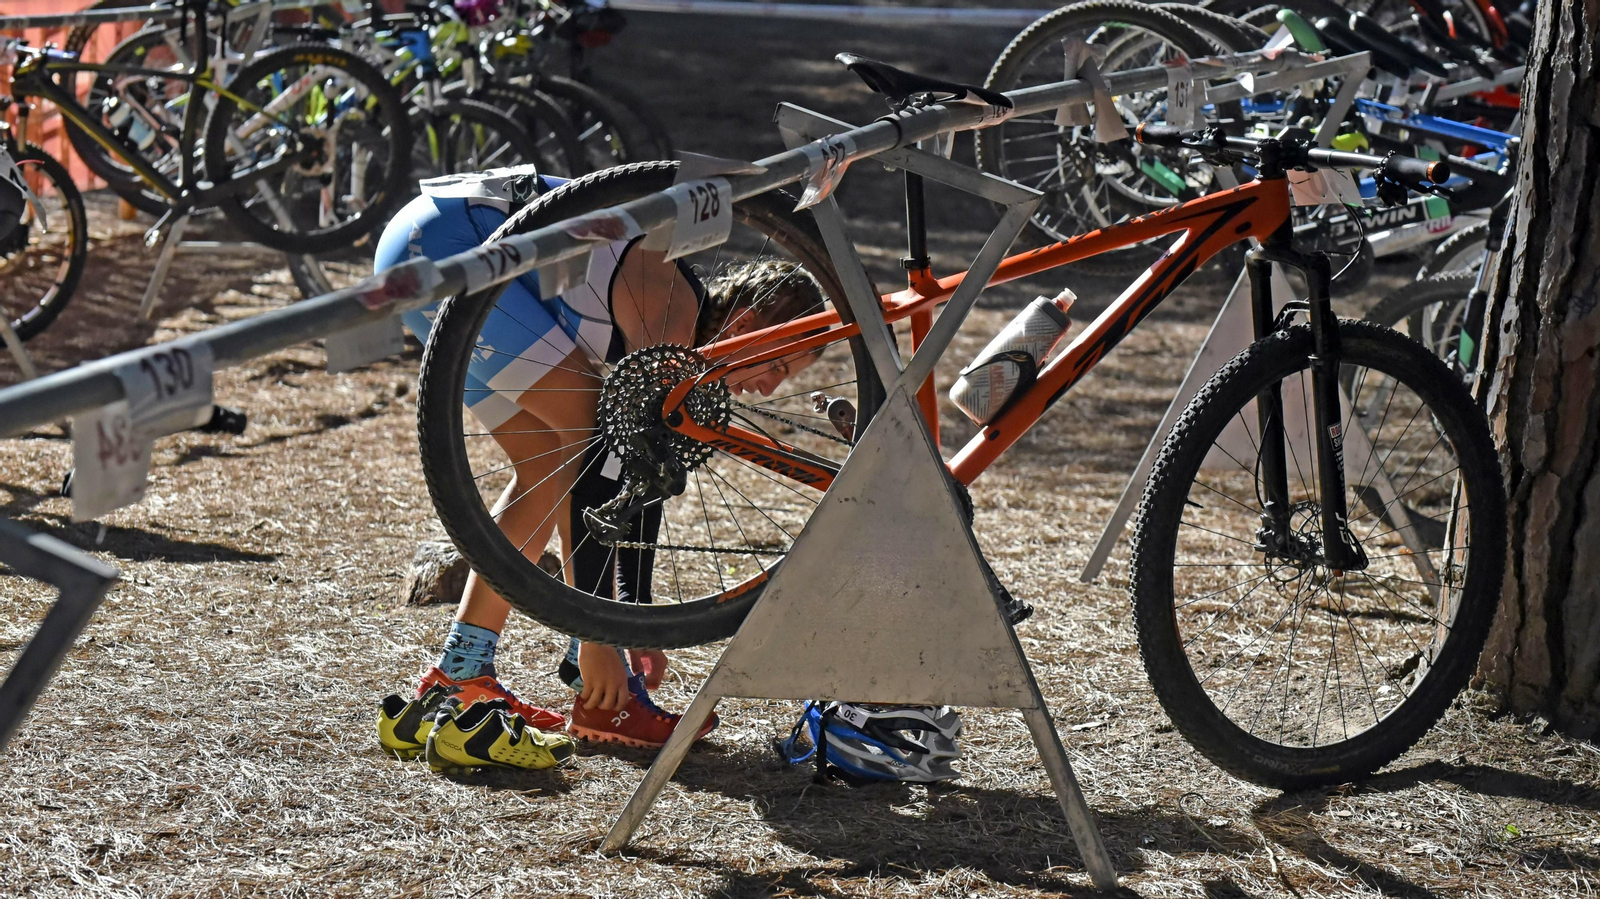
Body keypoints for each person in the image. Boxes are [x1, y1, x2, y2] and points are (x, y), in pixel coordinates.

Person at [373, 164, 825, 764]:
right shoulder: (672, 311)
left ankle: (460, 673)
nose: (769, 389)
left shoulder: (678, 340)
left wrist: (631, 619)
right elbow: (605, 463)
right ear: (752, 323)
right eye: (780, 366)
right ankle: (577, 657)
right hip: (445, 242)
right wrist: (600, 635)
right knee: (584, 427)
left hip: (426, 241)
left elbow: (640, 476)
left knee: (546, 467)